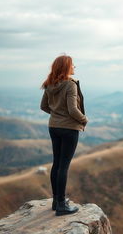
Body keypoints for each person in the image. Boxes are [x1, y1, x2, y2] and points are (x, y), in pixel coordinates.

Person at [40, 55, 88, 216]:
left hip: (53, 127)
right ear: (66, 67)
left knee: (57, 164)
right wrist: (84, 119)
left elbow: (43, 106)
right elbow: (73, 109)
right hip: (69, 129)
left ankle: (56, 201)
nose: (75, 67)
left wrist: (56, 115)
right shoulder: (70, 85)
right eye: (73, 65)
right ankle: (61, 205)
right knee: (64, 166)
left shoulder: (50, 84)